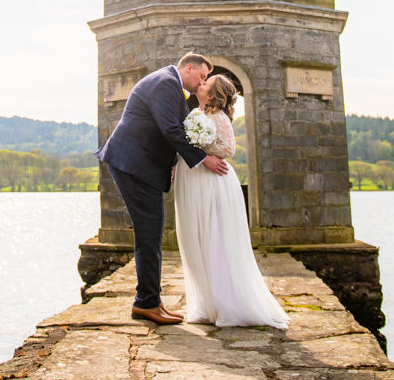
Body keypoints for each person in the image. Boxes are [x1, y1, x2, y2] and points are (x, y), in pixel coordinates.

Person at [96, 52, 230, 325]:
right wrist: (203, 159)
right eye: (202, 76)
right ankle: (146, 303)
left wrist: (172, 163)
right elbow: (170, 129)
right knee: (149, 232)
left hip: (138, 165)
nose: (201, 82)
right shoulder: (165, 83)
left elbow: (165, 129)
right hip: (132, 164)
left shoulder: (168, 83)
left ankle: (151, 301)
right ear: (189, 67)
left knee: (152, 232)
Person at [173, 73, 289, 329]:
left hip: (212, 182)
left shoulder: (218, 118)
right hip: (192, 180)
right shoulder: (196, 115)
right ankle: (206, 305)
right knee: (196, 238)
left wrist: (203, 150)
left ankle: (228, 304)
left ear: (213, 95)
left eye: (205, 83)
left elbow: (228, 149)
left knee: (216, 239)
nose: (200, 83)